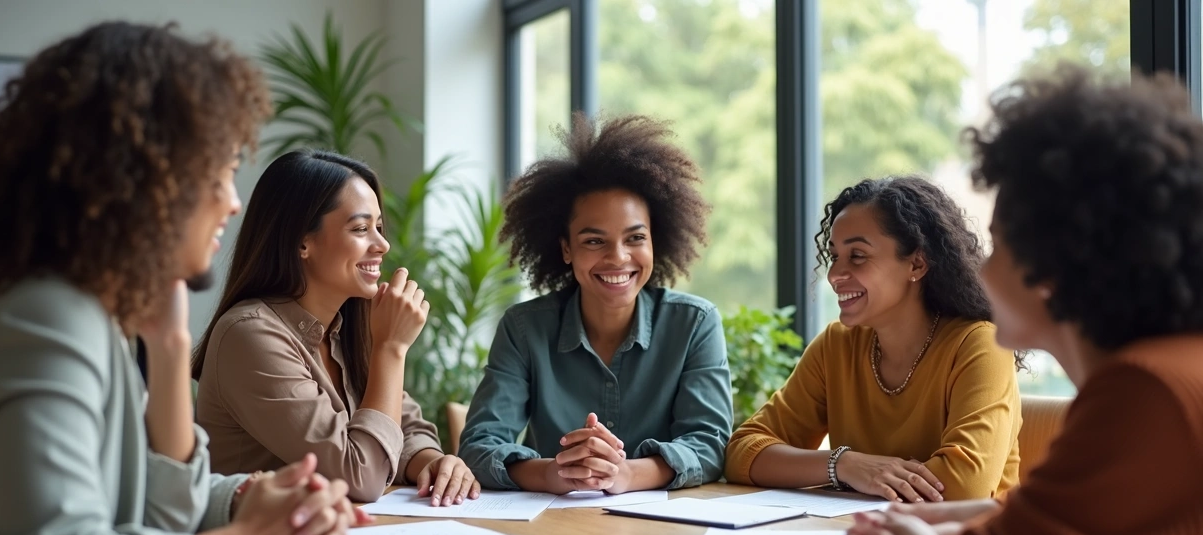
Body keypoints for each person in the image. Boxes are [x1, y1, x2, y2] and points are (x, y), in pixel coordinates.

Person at [0, 23, 359, 535]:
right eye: (215, 173)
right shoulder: (46, 316)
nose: (231, 201)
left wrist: (241, 497)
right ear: (138, 182)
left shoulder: (94, 314)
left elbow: (143, 511)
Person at [835, 67, 1203, 535]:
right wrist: (944, 521)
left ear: (1056, 265)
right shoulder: (1171, 373)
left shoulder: (1149, 394)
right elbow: (1076, 521)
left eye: (1002, 244)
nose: (982, 269)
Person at [458, 114, 732, 495]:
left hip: (664, 533)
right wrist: (555, 473)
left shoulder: (695, 324)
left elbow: (710, 444)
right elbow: (478, 446)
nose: (618, 258)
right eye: (593, 241)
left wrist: (627, 474)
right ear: (566, 249)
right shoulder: (524, 329)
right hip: (558, 527)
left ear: (657, 240)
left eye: (635, 237)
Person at [193, 150, 478, 506]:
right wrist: (391, 350)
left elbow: (406, 427)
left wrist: (433, 463)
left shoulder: (346, 328)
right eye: (360, 229)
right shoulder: (249, 335)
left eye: (378, 227)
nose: (382, 244)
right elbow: (360, 477)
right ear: (302, 242)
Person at [725, 175, 1023, 502]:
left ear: (917, 263)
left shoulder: (979, 343)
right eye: (835, 255)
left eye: (858, 255)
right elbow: (742, 452)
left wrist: (867, 476)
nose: (835, 275)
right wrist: (844, 464)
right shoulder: (837, 344)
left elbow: (966, 486)